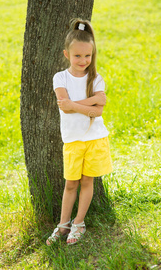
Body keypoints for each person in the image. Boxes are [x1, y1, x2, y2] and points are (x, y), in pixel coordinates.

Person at [46, 18, 113, 246]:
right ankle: (63, 224)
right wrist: (90, 105)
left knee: (87, 182)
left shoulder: (96, 78)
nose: (83, 60)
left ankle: (79, 223)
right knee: (70, 183)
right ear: (67, 54)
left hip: (95, 139)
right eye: (77, 56)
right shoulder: (60, 77)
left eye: (88, 56)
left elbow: (100, 108)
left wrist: (75, 105)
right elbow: (64, 103)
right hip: (73, 141)